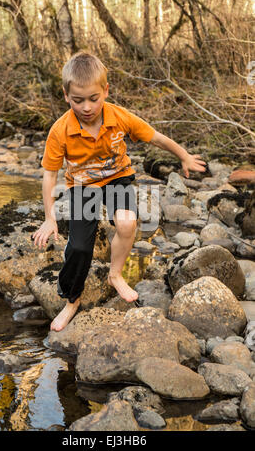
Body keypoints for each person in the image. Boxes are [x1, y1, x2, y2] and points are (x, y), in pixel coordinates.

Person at [32, 51, 206, 332]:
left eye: (93, 98)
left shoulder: (119, 117)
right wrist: (50, 218)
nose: (87, 107)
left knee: (127, 222)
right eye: (78, 101)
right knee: (78, 247)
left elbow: (156, 138)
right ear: (66, 96)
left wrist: (184, 155)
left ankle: (115, 275)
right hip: (82, 187)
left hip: (118, 178)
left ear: (105, 91)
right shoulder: (60, 130)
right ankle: (71, 300)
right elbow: (49, 175)